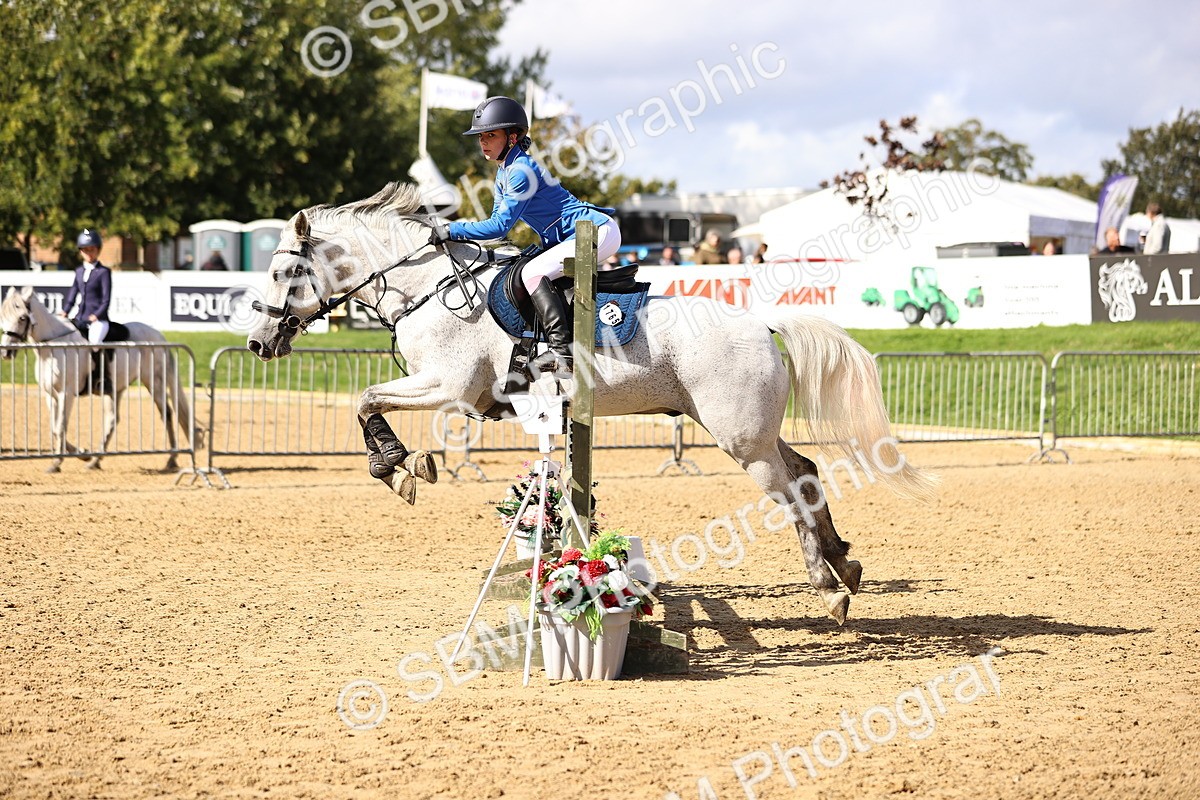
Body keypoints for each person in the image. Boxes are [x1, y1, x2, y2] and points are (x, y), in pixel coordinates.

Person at [439, 96, 621, 375]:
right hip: (575, 237)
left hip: (596, 232)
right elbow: (495, 223)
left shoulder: (520, 171)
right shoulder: (505, 172)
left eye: (490, 134)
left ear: (512, 137)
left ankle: (563, 353)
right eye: (480, 136)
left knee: (532, 273)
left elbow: (499, 227)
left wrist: (453, 229)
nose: (483, 142)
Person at [58, 229, 112, 388]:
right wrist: (65, 310)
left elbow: (106, 299)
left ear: (98, 250)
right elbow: (73, 294)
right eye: (85, 250)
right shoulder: (79, 271)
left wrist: (97, 314)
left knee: (95, 342)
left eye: (92, 249)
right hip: (81, 317)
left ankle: (102, 377)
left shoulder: (104, 272)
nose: (89, 253)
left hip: (98, 320)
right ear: (81, 251)